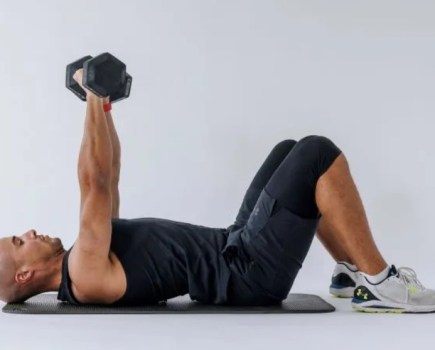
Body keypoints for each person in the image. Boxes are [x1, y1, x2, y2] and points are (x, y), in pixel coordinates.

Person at [0, 70, 434, 313]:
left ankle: (347, 271)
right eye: (20, 241)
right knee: (316, 153)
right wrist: (92, 92)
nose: (30, 231)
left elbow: (108, 177)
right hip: (248, 275)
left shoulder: (89, 255)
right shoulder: (85, 273)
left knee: (287, 152)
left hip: (233, 246)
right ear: (23, 275)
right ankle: (382, 282)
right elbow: (92, 182)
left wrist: (103, 104)